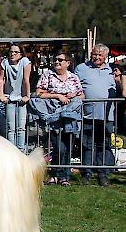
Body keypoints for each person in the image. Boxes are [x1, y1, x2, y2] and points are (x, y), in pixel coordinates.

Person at [31, 51, 84, 186]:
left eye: (60, 60)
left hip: (69, 116)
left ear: (68, 63)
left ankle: (64, 176)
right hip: (53, 116)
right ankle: (55, 174)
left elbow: (82, 95)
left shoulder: (74, 78)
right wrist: (57, 96)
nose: (57, 62)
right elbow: (39, 93)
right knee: (58, 146)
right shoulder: (47, 76)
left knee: (67, 146)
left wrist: (73, 96)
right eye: (55, 59)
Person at [75, 44, 116, 186]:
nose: (96, 57)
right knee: (87, 145)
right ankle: (86, 173)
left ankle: (103, 174)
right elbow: (75, 87)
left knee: (104, 145)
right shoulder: (81, 68)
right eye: (94, 54)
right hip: (87, 114)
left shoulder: (111, 70)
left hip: (106, 115)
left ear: (105, 56)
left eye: (100, 55)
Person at [0, 44, 32, 152]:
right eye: (11, 52)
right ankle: (11, 151)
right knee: (10, 128)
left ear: (21, 54)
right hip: (9, 98)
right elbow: (1, 79)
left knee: (21, 128)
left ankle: (21, 151)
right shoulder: (5, 62)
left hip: (21, 98)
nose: (12, 54)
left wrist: (27, 95)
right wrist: (1, 94)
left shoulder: (25, 62)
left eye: (15, 52)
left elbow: (26, 79)